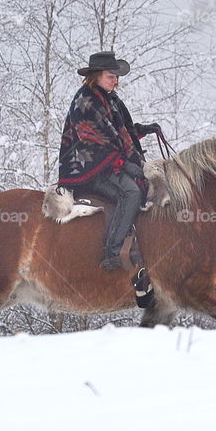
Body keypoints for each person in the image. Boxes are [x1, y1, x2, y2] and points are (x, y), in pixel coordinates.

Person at [57, 51, 161, 269]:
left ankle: (135, 242)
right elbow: (94, 140)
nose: (116, 81)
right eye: (110, 76)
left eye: (116, 76)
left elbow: (117, 130)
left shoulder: (109, 98)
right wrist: (124, 164)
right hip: (88, 167)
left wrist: (142, 130)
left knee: (143, 188)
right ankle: (113, 252)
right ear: (96, 76)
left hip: (107, 163)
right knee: (130, 192)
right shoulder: (85, 101)